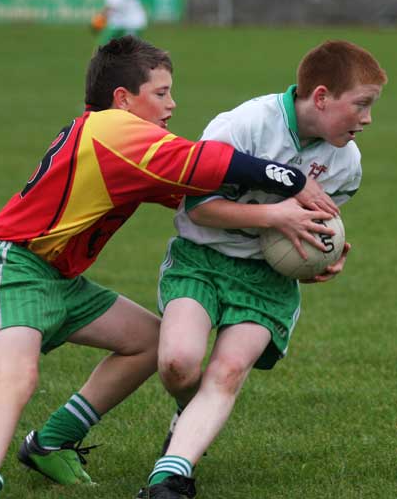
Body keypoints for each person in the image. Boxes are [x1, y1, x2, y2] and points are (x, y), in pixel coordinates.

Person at [0, 35, 336, 499]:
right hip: (12, 266)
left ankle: (51, 441)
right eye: (161, 93)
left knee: (150, 342)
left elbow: (204, 201)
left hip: (61, 280)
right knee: (17, 378)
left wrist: (307, 239)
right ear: (122, 99)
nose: (172, 105)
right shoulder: (112, 129)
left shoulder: (127, 149)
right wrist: (291, 179)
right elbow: (201, 161)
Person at [137, 40, 387, 499]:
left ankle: (170, 478)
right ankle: (189, 416)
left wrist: (321, 256)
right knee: (177, 364)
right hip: (203, 259)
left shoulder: (346, 164)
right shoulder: (243, 126)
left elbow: (310, 235)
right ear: (321, 97)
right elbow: (200, 209)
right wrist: (277, 215)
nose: (368, 119)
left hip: (266, 280)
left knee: (229, 369)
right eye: (362, 105)